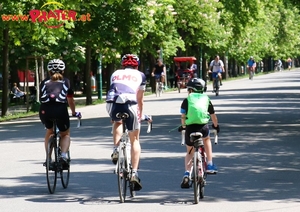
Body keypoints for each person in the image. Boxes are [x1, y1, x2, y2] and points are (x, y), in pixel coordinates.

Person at [106, 54, 146, 191]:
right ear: (137, 65)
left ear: (123, 65)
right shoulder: (140, 75)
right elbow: (139, 100)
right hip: (130, 104)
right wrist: (140, 117)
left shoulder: (115, 73)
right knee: (134, 139)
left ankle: (116, 149)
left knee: (117, 122)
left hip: (112, 103)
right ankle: (134, 172)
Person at [178, 78, 219, 188]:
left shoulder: (187, 100)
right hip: (203, 127)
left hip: (190, 128)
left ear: (190, 90)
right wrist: (216, 126)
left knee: (189, 152)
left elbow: (183, 116)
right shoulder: (207, 99)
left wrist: (183, 127)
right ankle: (209, 164)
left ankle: (187, 173)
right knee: (207, 140)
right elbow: (213, 116)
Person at [39, 59, 81, 167]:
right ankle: (63, 156)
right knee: (65, 134)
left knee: (49, 131)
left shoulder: (43, 82)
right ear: (63, 71)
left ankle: (48, 158)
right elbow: (70, 100)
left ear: (49, 71)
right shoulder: (66, 82)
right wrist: (73, 112)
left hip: (45, 110)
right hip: (60, 109)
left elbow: (41, 98)